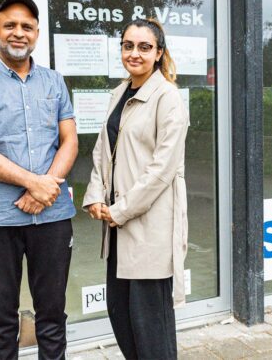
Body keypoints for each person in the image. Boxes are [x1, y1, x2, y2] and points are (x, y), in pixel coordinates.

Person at [0, 0, 78, 360]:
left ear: (37, 33)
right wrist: (32, 182)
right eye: (10, 25)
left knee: (53, 314)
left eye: (27, 26)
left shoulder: (54, 82)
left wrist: (44, 188)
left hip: (53, 216)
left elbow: (69, 141)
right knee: (3, 318)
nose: (18, 33)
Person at [82, 18, 189, 359]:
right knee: (121, 315)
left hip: (149, 228)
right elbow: (103, 151)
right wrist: (96, 197)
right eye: (128, 46)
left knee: (150, 327)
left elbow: (162, 169)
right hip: (117, 228)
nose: (135, 53)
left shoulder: (167, 97)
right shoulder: (119, 93)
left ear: (159, 53)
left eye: (145, 47)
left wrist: (119, 210)